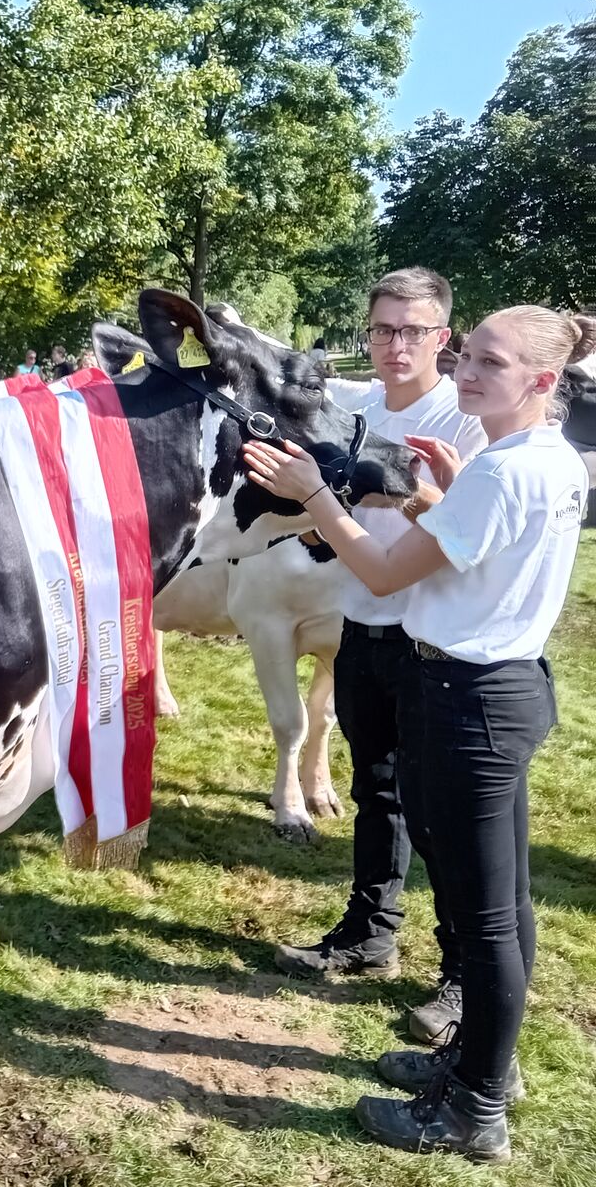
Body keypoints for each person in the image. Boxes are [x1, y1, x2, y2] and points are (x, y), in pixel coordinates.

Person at [243, 306, 594, 1162]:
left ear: (543, 383)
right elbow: (479, 550)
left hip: (466, 700)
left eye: (490, 364)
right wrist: (439, 492)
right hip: (504, 689)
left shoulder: (504, 472)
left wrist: (313, 495)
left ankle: (473, 1110)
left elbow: (382, 567)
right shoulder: (544, 459)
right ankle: (486, 1067)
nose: (467, 373)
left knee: (485, 921)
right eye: (468, 355)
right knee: (501, 906)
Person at [272, 270, 489, 1045]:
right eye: (383, 329)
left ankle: (465, 977)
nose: (396, 345)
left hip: (432, 638)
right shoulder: (354, 406)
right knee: (377, 791)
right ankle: (370, 932)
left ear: (444, 338)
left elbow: (466, 532)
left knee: (441, 820)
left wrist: (366, 497)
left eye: (414, 330)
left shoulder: (464, 419)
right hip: (357, 620)